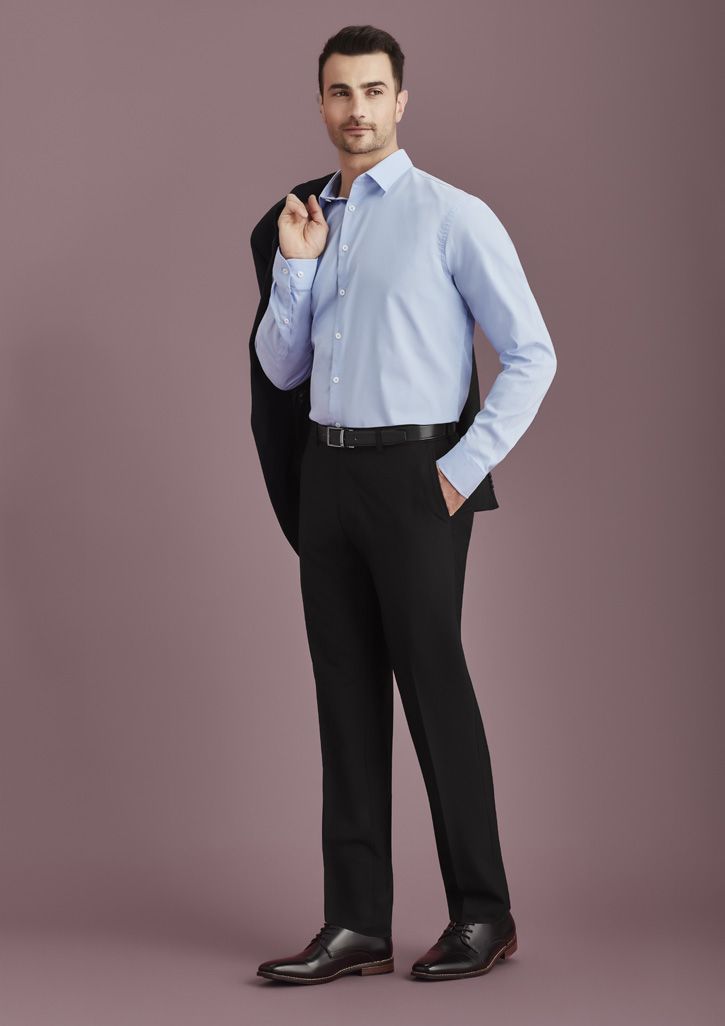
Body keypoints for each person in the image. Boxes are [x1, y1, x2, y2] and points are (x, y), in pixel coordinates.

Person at [251, 24, 557, 985]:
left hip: (420, 475)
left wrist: (459, 471)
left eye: (373, 91)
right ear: (320, 102)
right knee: (342, 693)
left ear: (401, 100)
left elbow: (533, 354)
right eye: (340, 92)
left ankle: (483, 913)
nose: (357, 110)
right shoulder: (304, 220)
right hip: (328, 472)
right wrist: (295, 267)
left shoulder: (451, 216)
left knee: (433, 688)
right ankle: (356, 924)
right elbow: (281, 369)